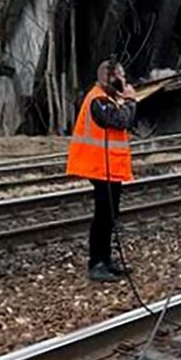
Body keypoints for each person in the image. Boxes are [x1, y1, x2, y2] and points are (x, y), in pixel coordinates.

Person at [66, 60, 139, 282]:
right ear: (112, 77)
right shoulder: (97, 99)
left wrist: (124, 99)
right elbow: (120, 121)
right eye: (121, 75)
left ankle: (105, 260)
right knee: (103, 216)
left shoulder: (106, 98)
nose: (125, 80)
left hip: (109, 167)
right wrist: (130, 100)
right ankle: (96, 262)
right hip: (98, 166)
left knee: (110, 215)